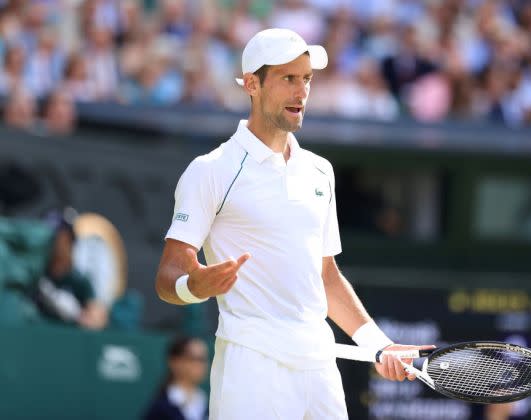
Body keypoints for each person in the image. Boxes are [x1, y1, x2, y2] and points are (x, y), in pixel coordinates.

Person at [154, 28, 434, 419]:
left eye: (306, 79)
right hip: (250, 368)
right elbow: (168, 276)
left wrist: (378, 343)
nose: (301, 92)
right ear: (252, 84)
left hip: (319, 368)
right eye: (288, 78)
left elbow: (325, 275)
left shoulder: (320, 172)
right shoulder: (210, 171)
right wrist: (192, 287)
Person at [35, 209, 108, 330]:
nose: (57, 245)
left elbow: (98, 318)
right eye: (51, 238)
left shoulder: (78, 280)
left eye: (65, 239)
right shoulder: (31, 274)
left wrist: (77, 316)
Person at [144, 336, 209, 420]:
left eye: (204, 359)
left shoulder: (206, 403)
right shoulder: (161, 407)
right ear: (175, 362)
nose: (202, 365)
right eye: (196, 359)